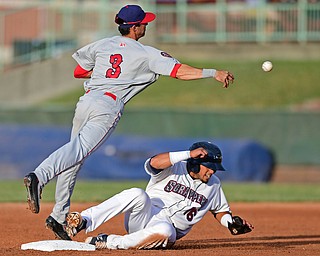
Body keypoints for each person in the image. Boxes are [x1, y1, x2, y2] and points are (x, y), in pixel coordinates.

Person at [23, 4, 235, 240]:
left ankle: (59, 216)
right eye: (143, 23)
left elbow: (79, 71)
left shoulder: (103, 44)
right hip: (107, 107)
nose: (146, 25)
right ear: (134, 28)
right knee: (79, 150)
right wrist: (213, 72)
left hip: (86, 101)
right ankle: (39, 176)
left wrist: (107, 73)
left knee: (74, 158)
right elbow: (179, 71)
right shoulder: (146, 53)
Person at [65, 141, 253, 249]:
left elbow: (220, 210)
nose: (212, 172)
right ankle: (84, 220)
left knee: (165, 230)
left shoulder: (213, 185)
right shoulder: (173, 168)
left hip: (165, 230)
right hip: (143, 216)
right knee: (137, 194)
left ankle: (108, 241)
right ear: (194, 163)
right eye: (209, 167)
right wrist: (188, 154)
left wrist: (230, 223)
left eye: (215, 169)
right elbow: (154, 162)